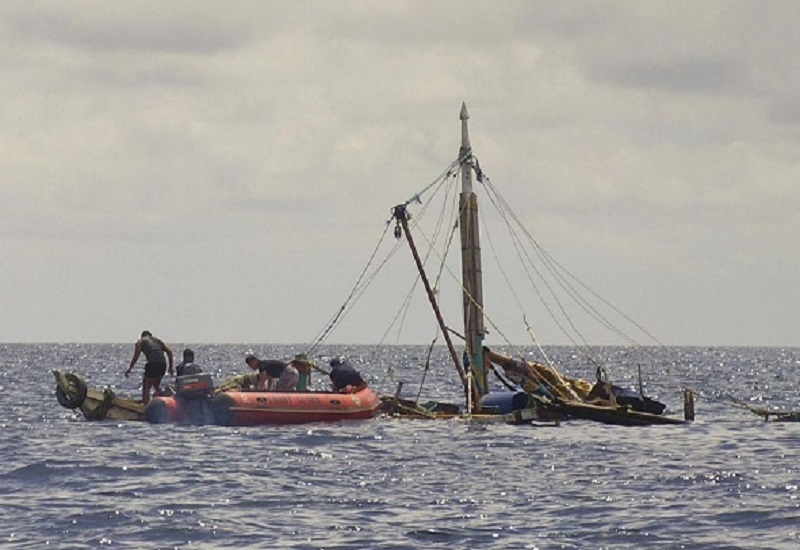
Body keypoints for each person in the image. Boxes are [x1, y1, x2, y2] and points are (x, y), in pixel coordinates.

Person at [125, 330, 174, 405]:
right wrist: (170, 367)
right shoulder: (157, 340)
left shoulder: (140, 341)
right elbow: (169, 352)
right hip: (162, 365)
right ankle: (166, 402)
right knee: (156, 386)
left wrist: (130, 369)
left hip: (153, 364)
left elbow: (136, 356)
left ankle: (145, 407)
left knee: (146, 386)